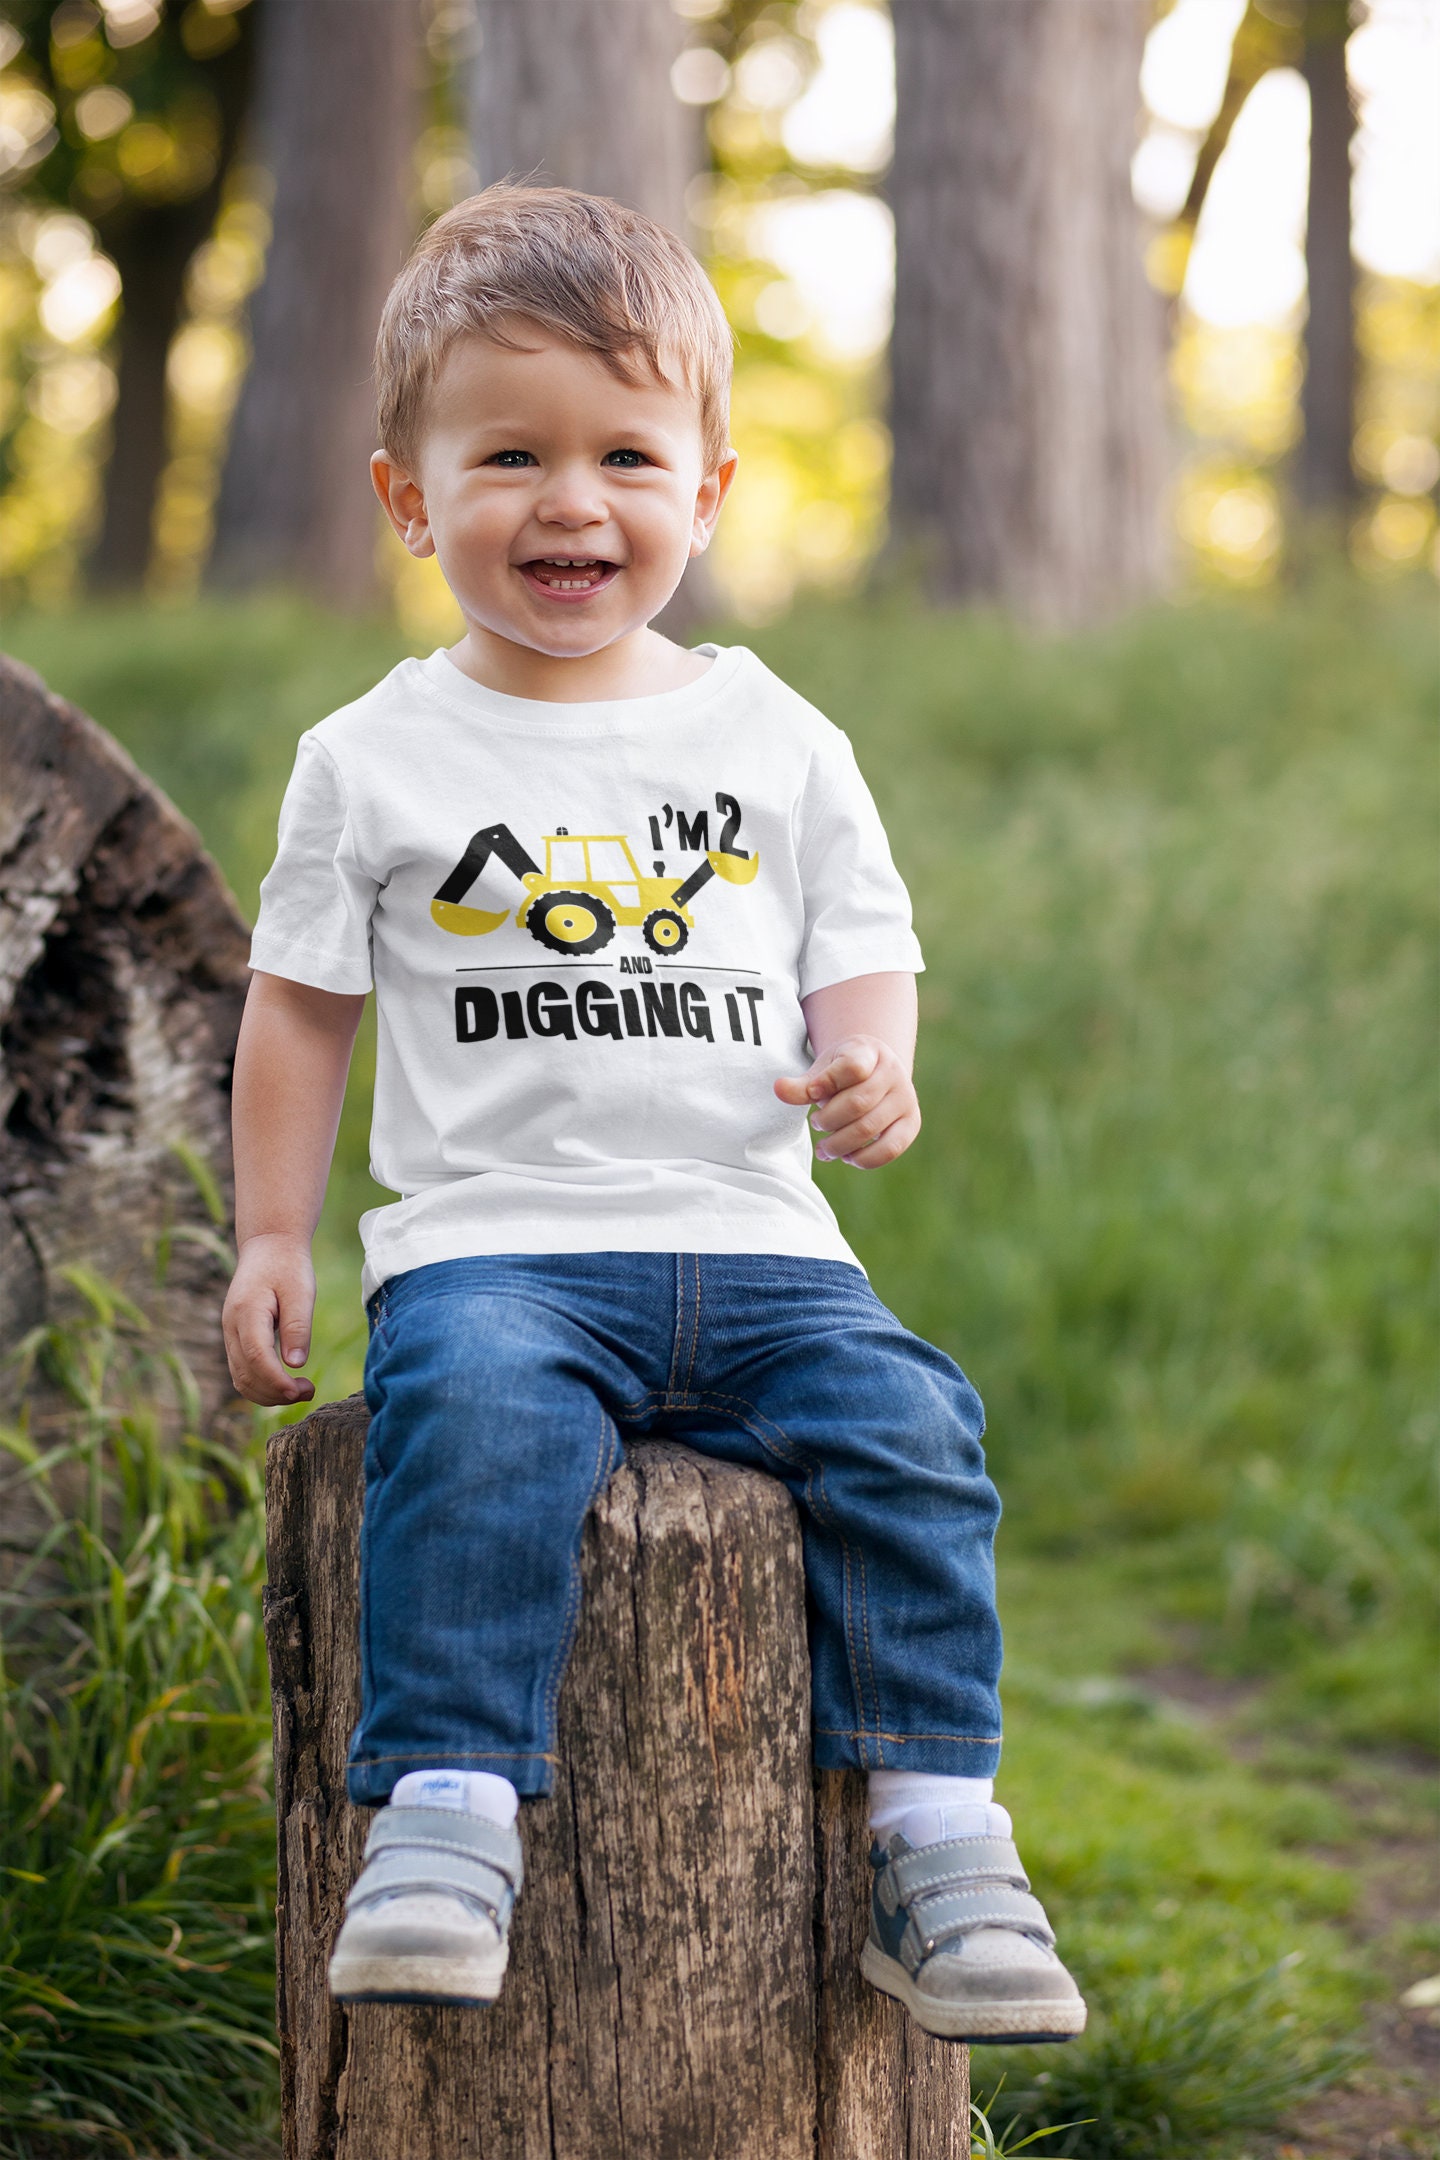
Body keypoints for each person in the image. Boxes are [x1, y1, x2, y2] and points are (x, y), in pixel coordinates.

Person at [223, 184, 1085, 2046]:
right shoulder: (371, 757)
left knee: (917, 1431)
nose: (569, 501)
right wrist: (277, 1236)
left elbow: (864, 944)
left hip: (762, 1244)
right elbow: (299, 1011)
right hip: (501, 1249)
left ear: (703, 493)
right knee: (473, 1439)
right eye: (509, 453)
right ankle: (446, 1812)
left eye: (626, 455)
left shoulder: (776, 734)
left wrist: (874, 1060)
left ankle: (940, 1839)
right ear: (406, 496)